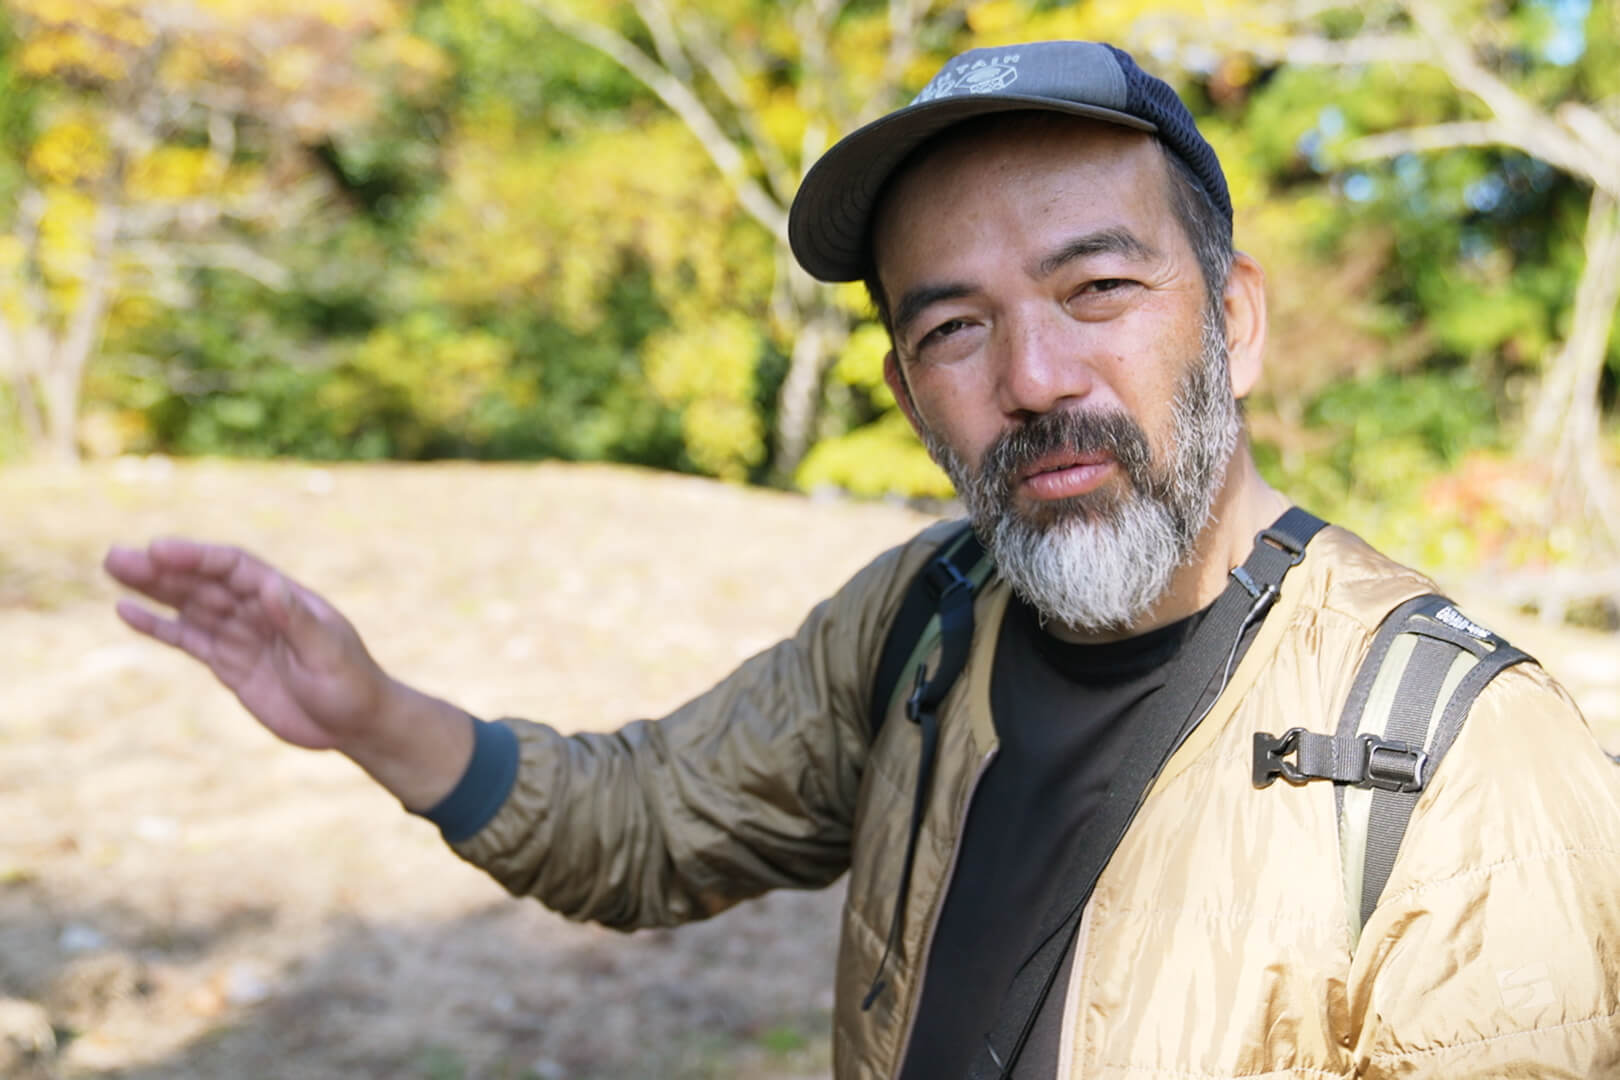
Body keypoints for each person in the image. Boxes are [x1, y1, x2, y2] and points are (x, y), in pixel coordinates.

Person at [104, 39, 1620, 1080]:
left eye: (1098, 286)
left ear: (1232, 319)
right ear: (906, 390)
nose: (1033, 376)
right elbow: (647, 819)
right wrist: (370, 709)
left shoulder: (1457, 759)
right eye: (954, 325)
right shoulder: (928, 618)